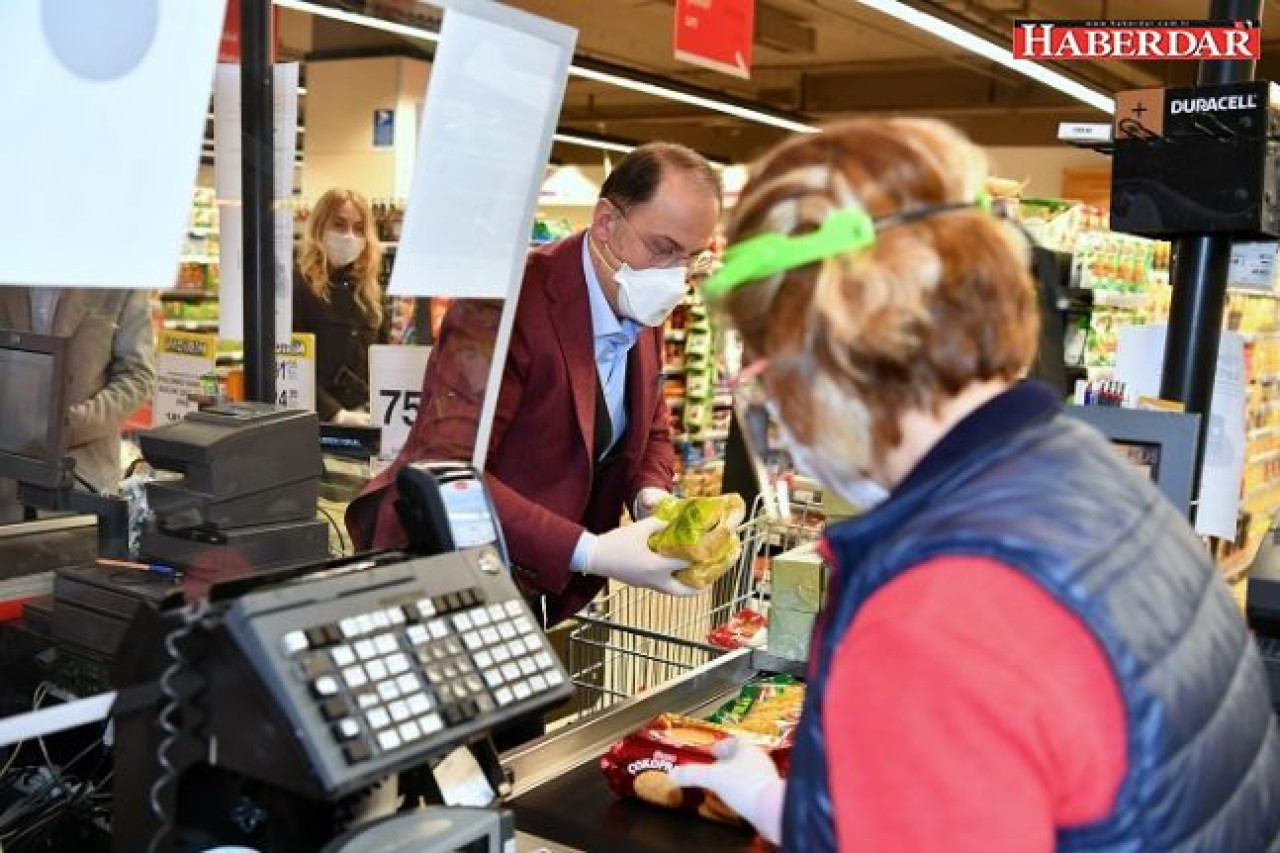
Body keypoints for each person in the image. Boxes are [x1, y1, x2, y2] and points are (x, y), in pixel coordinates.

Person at [668, 119, 1280, 850]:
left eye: (769, 363)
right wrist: (794, 809)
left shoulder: (936, 609)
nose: (771, 407)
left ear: (833, 354)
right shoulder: (1082, 475)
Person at [346, 142, 723, 627]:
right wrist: (590, 551)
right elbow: (447, 471)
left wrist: (649, 495)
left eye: (690, 260)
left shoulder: (638, 296)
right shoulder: (502, 308)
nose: (674, 278)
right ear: (606, 221)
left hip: (533, 594)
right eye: (664, 249)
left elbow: (652, 427)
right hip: (443, 585)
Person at [0, 287, 156, 520]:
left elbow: (137, 375)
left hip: (81, 480)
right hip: (5, 478)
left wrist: (68, 426)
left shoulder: (120, 278)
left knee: (73, 554)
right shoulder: (9, 269)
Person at [293, 188, 387, 425]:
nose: (349, 236)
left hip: (362, 419)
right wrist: (334, 414)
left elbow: (380, 359)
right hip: (310, 422)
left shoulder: (369, 292)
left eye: (358, 228)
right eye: (339, 225)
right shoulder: (297, 286)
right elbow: (289, 363)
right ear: (319, 227)